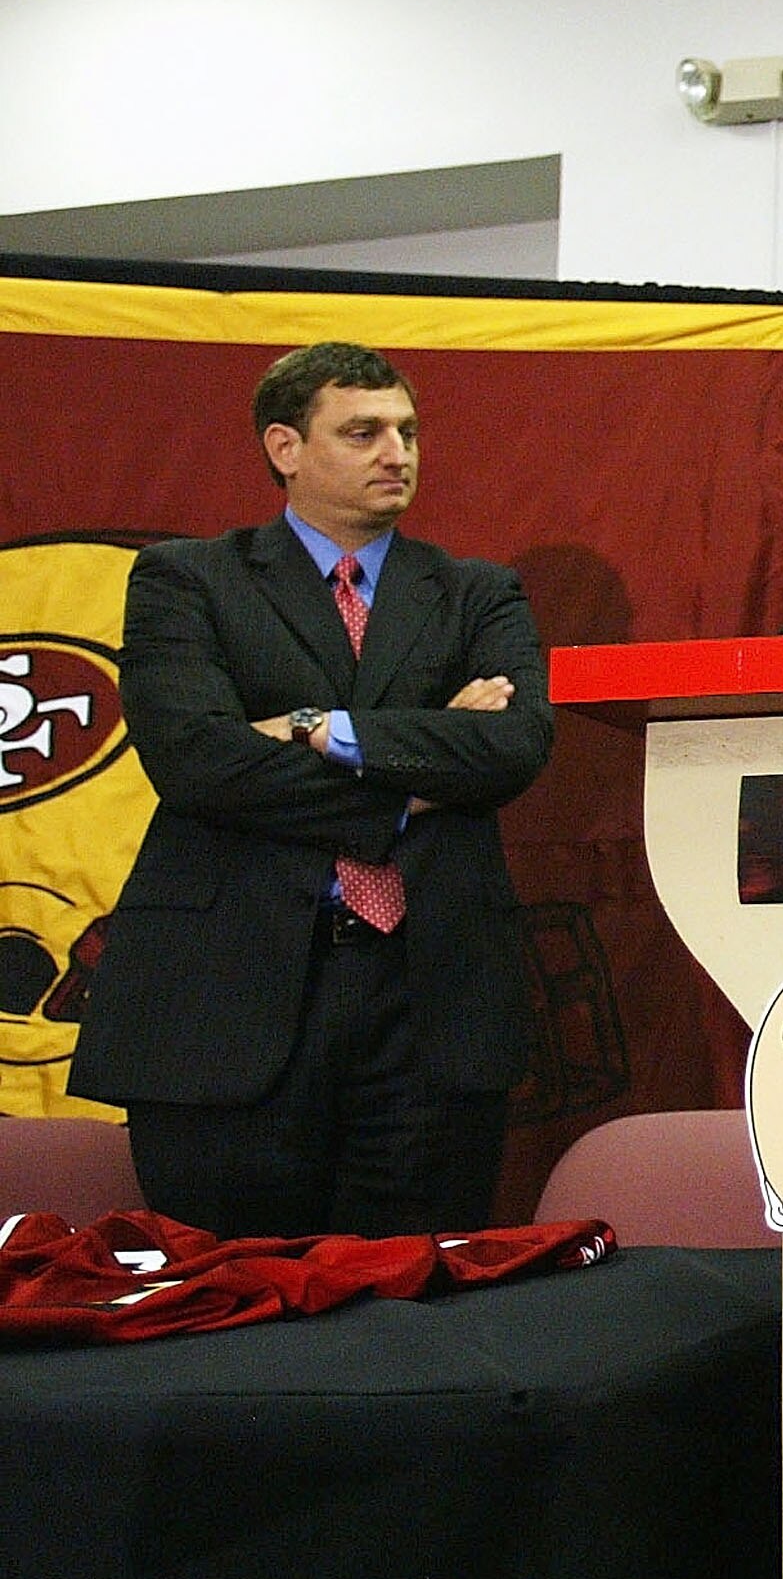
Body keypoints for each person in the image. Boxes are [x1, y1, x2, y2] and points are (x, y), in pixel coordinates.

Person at [74, 342, 554, 1238]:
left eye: (407, 431)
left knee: (412, 1309)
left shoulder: (478, 593)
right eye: (364, 432)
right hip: (226, 998)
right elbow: (197, 761)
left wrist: (313, 729)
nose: (396, 453)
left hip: (430, 1002)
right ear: (285, 447)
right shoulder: (188, 579)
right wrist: (419, 777)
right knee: (236, 1305)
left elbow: (513, 747)